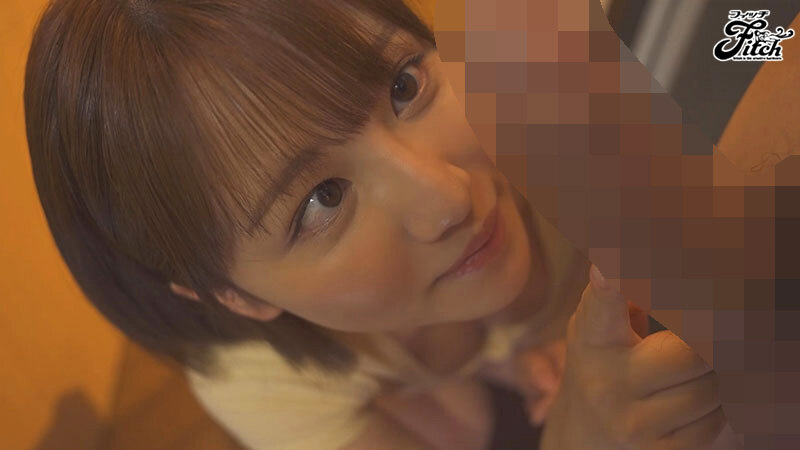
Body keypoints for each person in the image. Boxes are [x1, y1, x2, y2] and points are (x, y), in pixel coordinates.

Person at [23, 0, 731, 448]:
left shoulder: (544, 66)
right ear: (234, 294)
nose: (448, 198)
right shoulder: (261, 376)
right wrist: (578, 433)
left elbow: (754, 33)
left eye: (404, 86)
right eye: (321, 200)